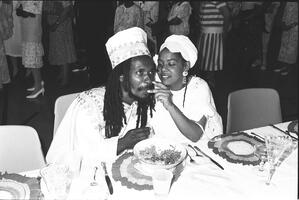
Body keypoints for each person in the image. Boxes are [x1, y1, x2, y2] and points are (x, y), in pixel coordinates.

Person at [46, 27, 156, 165]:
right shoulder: (89, 106)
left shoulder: (145, 101)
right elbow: (79, 155)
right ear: (121, 77)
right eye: (140, 72)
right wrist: (121, 143)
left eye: (151, 72)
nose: (148, 79)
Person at [149, 35, 223, 144]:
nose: (163, 69)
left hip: (196, 151)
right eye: (160, 64)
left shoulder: (198, 87)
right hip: (161, 150)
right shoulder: (155, 82)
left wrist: (170, 105)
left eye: (171, 64)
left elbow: (195, 135)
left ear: (185, 66)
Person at [45, 0, 77, 86]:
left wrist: (57, 23)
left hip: (61, 24)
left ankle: (65, 77)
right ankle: (62, 73)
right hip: (55, 22)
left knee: (63, 51)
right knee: (58, 51)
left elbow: (67, 9)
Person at [18, 1, 44, 98]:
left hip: (33, 28)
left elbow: (30, 12)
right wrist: (22, 10)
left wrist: (22, 10)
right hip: (27, 26)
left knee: (33, 57)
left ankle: (38, 86)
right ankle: (38, 83)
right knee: (32, 57)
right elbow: (19, 10)